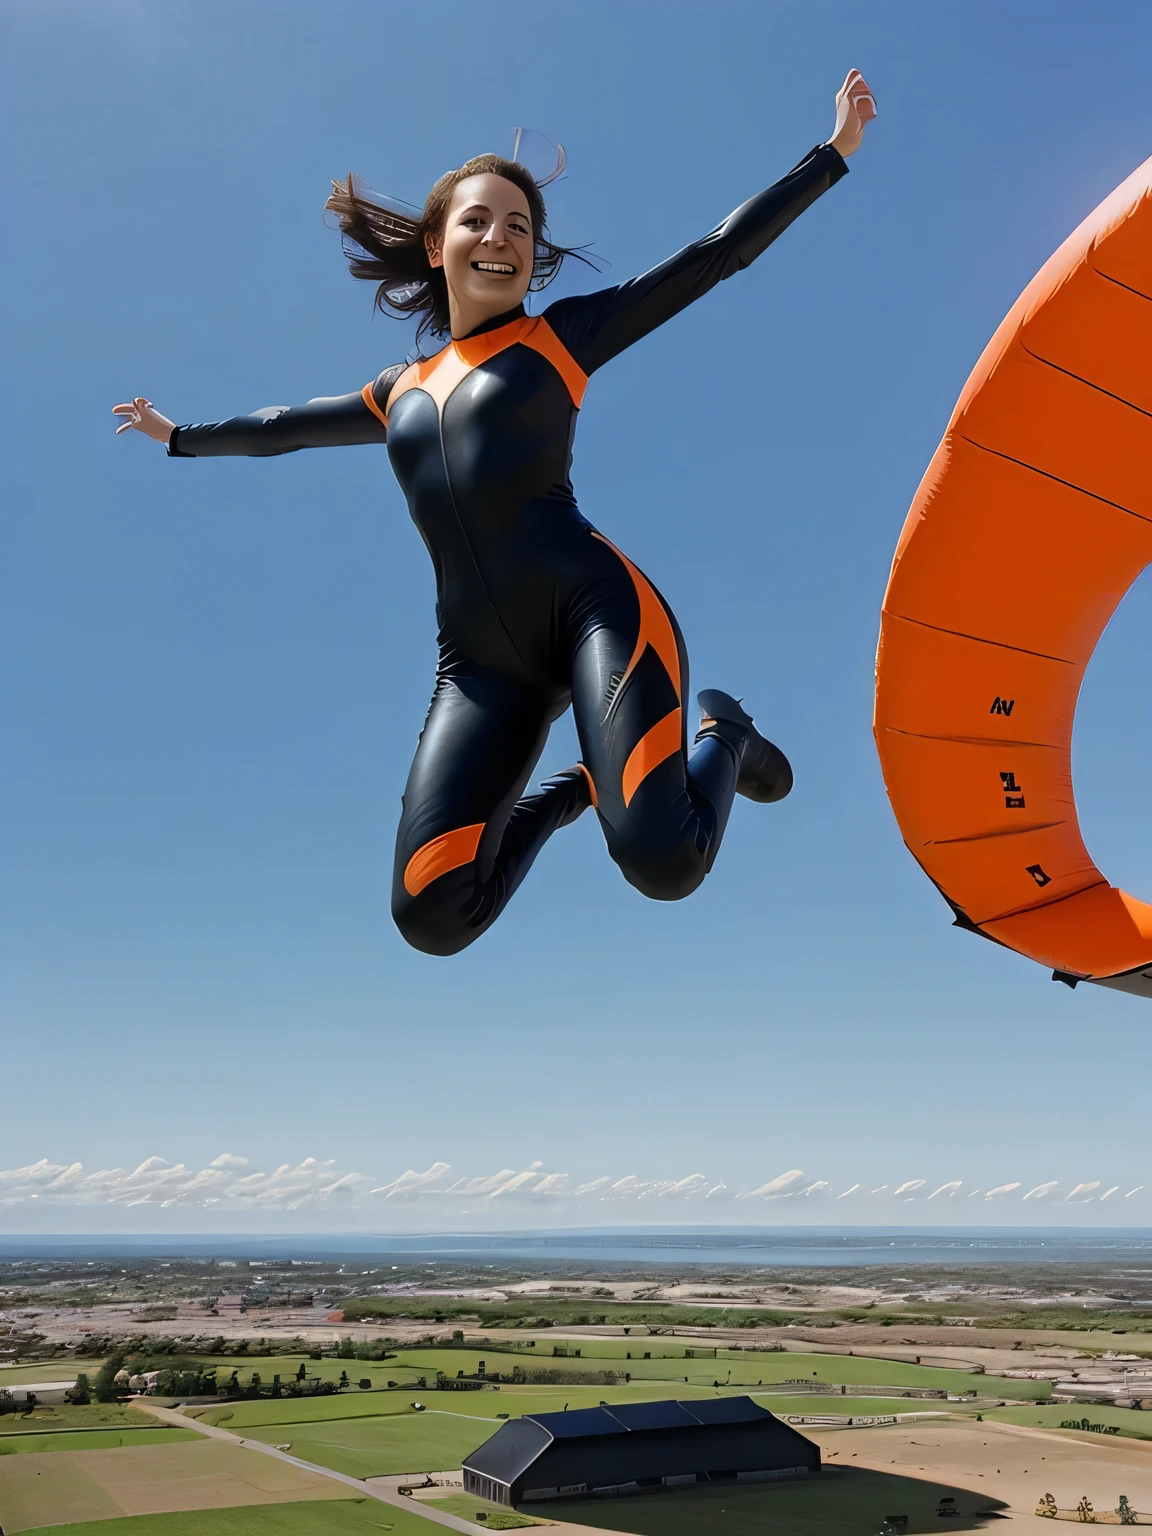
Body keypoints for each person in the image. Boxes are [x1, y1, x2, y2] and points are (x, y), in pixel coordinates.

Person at [114, 72, 876, 956]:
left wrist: (831, 156)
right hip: (479, 665)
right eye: (478, 220)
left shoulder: (560, 341)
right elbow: (279, 429)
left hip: (595, 611)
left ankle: (728, 737)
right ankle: (573, 791)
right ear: (438, 244)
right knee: (432, 913)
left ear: (533, 256)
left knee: (664, 861)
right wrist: (179, 438)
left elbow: (714, 254)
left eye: (520, 226)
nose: (501, 237)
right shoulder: (395, 392)